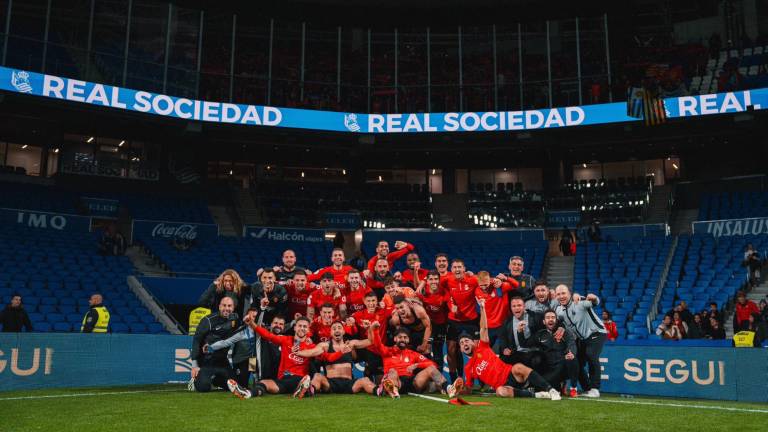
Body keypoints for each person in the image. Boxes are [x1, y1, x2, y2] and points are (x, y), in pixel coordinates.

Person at [458, 298, 561, 400]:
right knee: (500, 391)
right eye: (461, 343)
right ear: (461, 349)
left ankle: (551, 390)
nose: (464, 343)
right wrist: (458, 389)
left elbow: (483, 328)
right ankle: (538, 395)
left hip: (511, 374)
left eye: (466, 341)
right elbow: (468, 389)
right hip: (503, 386)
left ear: (473, 342)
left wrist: (482, 308)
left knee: (518, 367)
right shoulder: (468, 368)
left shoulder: (482, 347)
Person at [233, 315, 345, 399]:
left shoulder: (311, 347)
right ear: (295, 328)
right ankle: (248, 393)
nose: (302, 328)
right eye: (300, 326)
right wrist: (252, 324)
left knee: (305, 380)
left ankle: (302, 390)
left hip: (300, 380)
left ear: (308, 330)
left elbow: (328, 357)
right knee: (264, 383)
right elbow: (268, 335)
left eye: (305, 326)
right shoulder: (286, 340)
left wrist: (341, 352)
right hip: (283, 380)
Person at [367, 322, 449, 398]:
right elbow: (378, 345)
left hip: (411, 383)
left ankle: (448, 388)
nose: (403, 339)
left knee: (431, 369)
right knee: (392, 371)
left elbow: (433, 364)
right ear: (395, 339)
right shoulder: (387, 351)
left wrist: (417, 365)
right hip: (396, 382)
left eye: (405, 337)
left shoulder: (413, 354)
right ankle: (393, 391)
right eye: (400, 337)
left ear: (408, 340)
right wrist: (376, 330)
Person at [206, 310, 285, 387]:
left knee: (255, 379)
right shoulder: (242, 332)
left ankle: (258, 382)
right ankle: (217, 380)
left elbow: (280, 329)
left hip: (255, 360)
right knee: (242, 383)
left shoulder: (264, 330)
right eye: (252, 317)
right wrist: (211, 347)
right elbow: (225, 342)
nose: (254, 319)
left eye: (256, 317)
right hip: (243, 360)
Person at [554, 284, 606, 398]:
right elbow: (561, 322)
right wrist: (561, 327)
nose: (561, 296)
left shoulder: (579, 301)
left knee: (591, 355)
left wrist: (593, 298)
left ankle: (595, 389)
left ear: (570, 294)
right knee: (576, 361)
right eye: (558, 294)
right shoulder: (558, 310)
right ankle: (588, 389)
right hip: (582, 338)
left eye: (564, 293)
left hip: (596, 332)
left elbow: (595, 302)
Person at [297, 321, 376, 394]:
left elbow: (370, 341)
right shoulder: (325, 346)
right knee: (318, 376)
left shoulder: (350, 344)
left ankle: (378, 390)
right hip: (330, 383)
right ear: (330, 333)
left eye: (339, 328)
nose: (337, 330)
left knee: (365, 380)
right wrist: (298, 352)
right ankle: (309, 391)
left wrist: (370, 329)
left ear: (343, 331)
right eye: (334, 329)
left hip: (349, 383)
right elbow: (312, 352)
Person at [441, 258, 480, 382]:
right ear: (451, 270)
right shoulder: (447, 280)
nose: (457, 269)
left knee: (477, 351)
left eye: (459, 267)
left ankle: (479, 379)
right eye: (455, 267)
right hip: (453, 321)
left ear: (464, 269)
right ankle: (455, 380)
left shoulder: (473, 279)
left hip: (471, 321)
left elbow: (485, 280)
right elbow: (433, 284)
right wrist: (450, 303)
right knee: (451, 351)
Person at [190, 297, 239, 392]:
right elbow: (197, 340)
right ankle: (197, 379)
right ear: (219, 306)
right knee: (203, 388)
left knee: (233, 387)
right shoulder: (208, 320)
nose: (226, 308)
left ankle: (216, 380)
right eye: (224, 305)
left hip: (223, 362)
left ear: (233, 308)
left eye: (229, 306)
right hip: (206, 361)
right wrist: (194, 366)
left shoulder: (235, 320)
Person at [527, 309, 579, 397]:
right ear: (544, 322)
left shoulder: (564, 332)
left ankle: (573, 388)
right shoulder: (540, 334)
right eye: (548, 318)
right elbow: (526, 344)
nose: (550, 319)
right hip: (550, 368)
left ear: (556, 320)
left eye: (553, 317)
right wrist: (520, 333)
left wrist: (571, 353)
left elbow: (571, 343)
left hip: (562, 366)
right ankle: (560, 385)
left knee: (572, 359)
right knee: (542, 387)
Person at [496, 296, 543, 368]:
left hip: (533, 352)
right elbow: (503, 337)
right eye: (514, 306)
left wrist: (560, 327)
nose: (516, 308)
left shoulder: (535, 317)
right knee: (501, 361)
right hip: (516, 352)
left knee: (538, 361)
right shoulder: (507, 321)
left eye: (519, 305)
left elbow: (547, 323)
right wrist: (504, 348)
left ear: (524, 307)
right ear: (511, 308)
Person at [474, 271, 519, 345]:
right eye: (481, 285)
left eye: (486, 284)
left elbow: (516, 284)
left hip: (502, 325)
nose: (484, 287)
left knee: (504, 349)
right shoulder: (477, 291)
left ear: (489, 280)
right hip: (488, 327)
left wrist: (505, 278)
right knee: (487, 349)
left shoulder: (499, 286)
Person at [418, 271, 448, 373]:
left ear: (439, 280)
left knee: (438, 351)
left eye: (436, 279)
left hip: (441, 325)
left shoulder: (444, 291)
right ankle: (428, 376)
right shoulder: (422, 291)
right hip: (428, 325)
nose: (433, 281)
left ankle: (439, 377)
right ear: (427, 281)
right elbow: (415, 295)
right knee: (426, 349)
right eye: (431, 279)